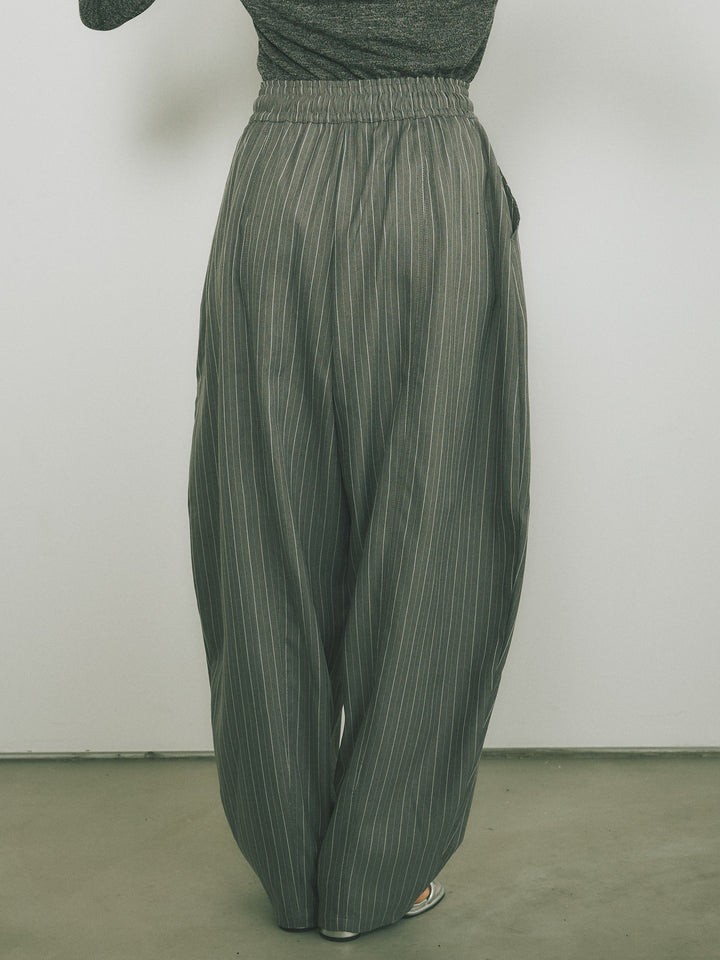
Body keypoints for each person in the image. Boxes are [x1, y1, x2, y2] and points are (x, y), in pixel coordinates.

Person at [80, 0, 530, 942]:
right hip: (435, 192)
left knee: (263, 520)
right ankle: (376, 876)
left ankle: (291, 870)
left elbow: (101, 9)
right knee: (437, 530)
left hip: (282, 179)